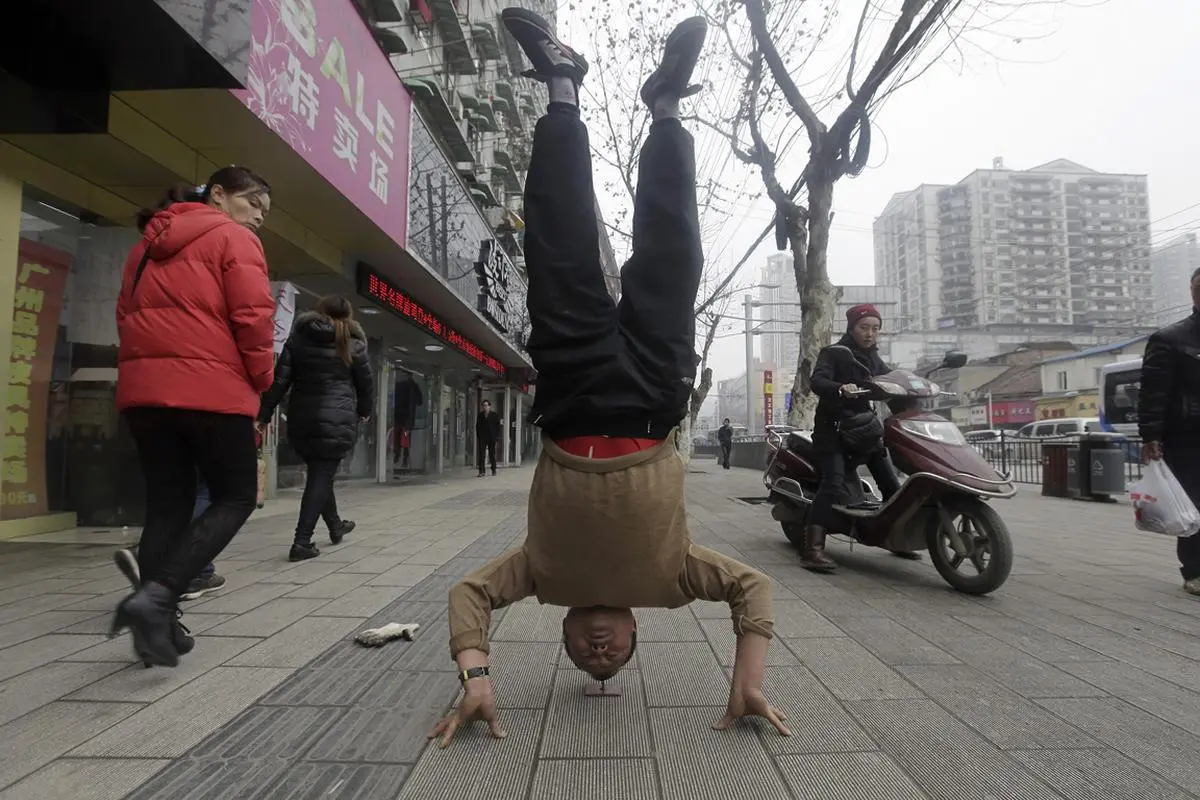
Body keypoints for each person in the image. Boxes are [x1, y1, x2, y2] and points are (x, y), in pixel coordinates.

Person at [429, 10, 788, 750]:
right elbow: (753, 589)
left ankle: (562, 86)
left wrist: (477, 677)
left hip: (571, 389)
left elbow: (469, 595)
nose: (600, 652)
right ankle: (666, 104)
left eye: (586, 656)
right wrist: (749, 678)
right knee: (675, 254)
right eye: (614, 656)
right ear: (634, 632)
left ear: (562, 631)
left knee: (557, 242)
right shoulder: (674, 582)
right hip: (654, 395)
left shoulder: (540, 577)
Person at [113, 165, 275, 667]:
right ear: (218, 195)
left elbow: (125, 317)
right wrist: (262, 380)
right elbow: (253, 318)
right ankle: (159, 596)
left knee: (167, 506)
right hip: (211, 391)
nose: (259, 218)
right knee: (236, 496)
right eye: (253, 204)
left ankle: (155, 631)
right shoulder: (235, 239)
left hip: (145, 396)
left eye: (264, 212)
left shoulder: (144, 247)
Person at [259, 296, 374, 562]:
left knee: (320, 474)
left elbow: (280, 380)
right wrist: (364, 412)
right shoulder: (354, 344)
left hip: (302, 419)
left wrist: (264, 415)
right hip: (337, 420)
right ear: (348, 315)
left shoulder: (299, 339)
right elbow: (366, 385)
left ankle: (336, 525)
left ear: (319, 312)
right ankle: (302, 541)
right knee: (321, 476)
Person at [803, 304, 903, 572]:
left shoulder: (874, 358)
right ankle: (813, 549)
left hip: (864, 430)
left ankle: (896, 537)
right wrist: (839, 388)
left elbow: (891, 381)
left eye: (875, 328)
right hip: (833, 431)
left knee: (891, 483)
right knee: (833, 484)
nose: (870, 334)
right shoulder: (835, 353)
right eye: (864, 327)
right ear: (851, 328)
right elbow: (817, 382)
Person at [1138, 267, 1200, 595]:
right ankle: (1195, 571)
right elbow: (1153, 392)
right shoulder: (1171, 339)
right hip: (1188, 435)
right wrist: (1150, 435)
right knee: (1194, 503)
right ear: (1193, 292)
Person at [476, 399, 501, 477]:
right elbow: (477, 426)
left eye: (486, 405)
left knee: (492, 454)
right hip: (483, 437)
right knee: (481, 454)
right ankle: (481, 471)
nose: (485, 407)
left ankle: (493, 469)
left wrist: (496, 437)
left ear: (489, 406)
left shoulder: (494, 415)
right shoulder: (480, 415)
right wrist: (479, 436)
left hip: (491, 437)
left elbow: (498, 427)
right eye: (483, 406)